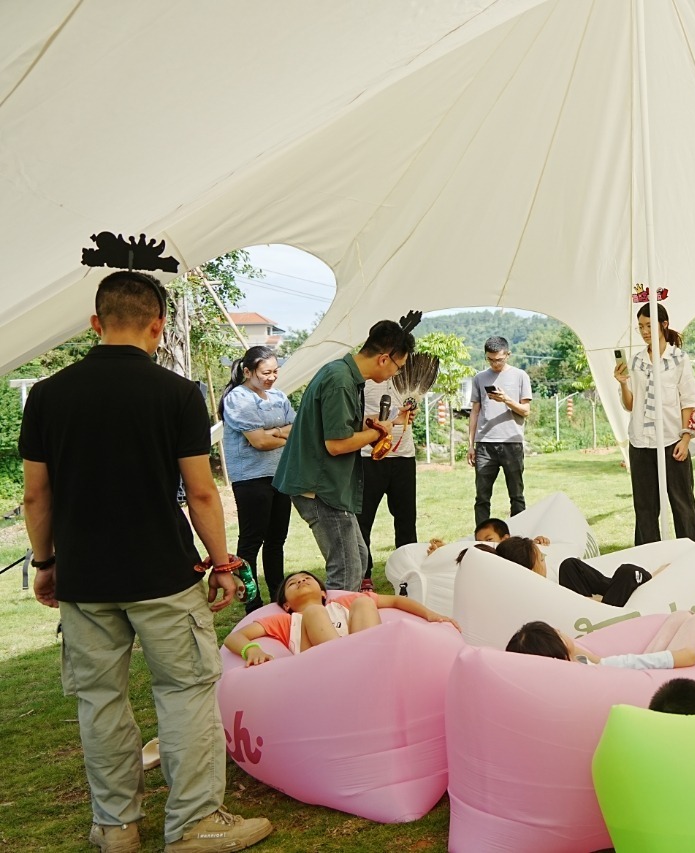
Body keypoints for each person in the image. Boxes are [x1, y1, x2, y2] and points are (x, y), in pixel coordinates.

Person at [19, 271, 273, 853]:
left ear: (95, 323)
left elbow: (36, 495)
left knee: (99, 701)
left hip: (84, 577)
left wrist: (46, 561)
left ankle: (115, 827)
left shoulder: (48, 396)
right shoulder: (178, 393)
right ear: (158, 326)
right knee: (185, 693)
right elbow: (202, 491)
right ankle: (194, 823)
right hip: (164, 573)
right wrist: (222, 563)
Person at [273, 321, 414, 592]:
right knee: (346, 570)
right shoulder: (341, 381)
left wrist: (390, 421)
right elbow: (336, 444)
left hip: (327, 487)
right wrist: (377, 433)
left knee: (358, 559)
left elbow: (343, 423)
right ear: (384, 358)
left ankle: (344, 613)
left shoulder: (342, 374)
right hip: (319, 488)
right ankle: (334, 617)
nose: (396, 374)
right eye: (399, 367)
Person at [613, 303, 695, 546]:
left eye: (649, 325)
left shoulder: (679, 359)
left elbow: (689, 402)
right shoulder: (636, 361)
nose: (644, 331)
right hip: (641, 443)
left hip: (672, 440)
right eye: (640, 327)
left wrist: (685, 439)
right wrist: (623, 383)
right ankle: (648, 558)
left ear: (664, 324)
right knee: (644, 508)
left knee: (683, 503)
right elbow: (630, 404)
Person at [223, 570, 459, 663]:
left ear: (323, 593)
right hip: (323, 667)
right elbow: (234, 637)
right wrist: (251, 650)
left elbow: (396, 600)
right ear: (286, 605)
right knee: (314, 612)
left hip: (366, 655)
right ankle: (346, 659)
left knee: (364, 601)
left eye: (307, 578)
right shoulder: (285, 621)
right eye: (293, 583)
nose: (301, 581)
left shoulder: (343, 603)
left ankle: (370, 658)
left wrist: (430, 614)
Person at [218, 345, 295, 611]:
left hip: (280, 475)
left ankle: (278, 595)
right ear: (248, 371)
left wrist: (272, 433)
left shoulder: (278, 396)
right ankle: (252, 602)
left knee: (276, 541)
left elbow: (296, 428)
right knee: (251, 542)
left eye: (275, 371)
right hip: (251, 479)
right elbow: (259, 442)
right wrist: (280, 433)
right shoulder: (238, 398)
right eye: (266, 373)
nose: (272, 377)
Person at [357, 377, 418, 588]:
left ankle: (408, 571)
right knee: (363, 520)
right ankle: (363, 574)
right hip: (368, 456)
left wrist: (412, 412)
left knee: (406, 520)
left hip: (404, 457)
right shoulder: (363, 381)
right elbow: (354, 419)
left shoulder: (408, 378)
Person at [468, 336, 532, 527]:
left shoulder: (520, 376)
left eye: (499, 359)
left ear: (508, 355)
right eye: (490, 359)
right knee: (482, 497)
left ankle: (519, 535)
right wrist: (471, 445)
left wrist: (506, 399)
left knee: (516, 495)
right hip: (484, 444)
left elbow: (525, 411)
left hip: (512, 442)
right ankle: (482, 537)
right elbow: (475, 412)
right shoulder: (479, 378)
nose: (495, 363)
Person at [491, 536, 653, 607]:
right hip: (598, 614)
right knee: (627, 572)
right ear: (530, 569)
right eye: (541, 559)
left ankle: (611, 588)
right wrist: (594, 602)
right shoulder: (540, 593)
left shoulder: (521, 584)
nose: (544, 561)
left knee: (569, 566)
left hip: (581, 602)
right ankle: (617, 590)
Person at [506, 619, 695, 669]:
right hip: (655, 672)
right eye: (558, 632)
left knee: (679, 618)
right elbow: (690, 656)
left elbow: (594, 659)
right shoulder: (600, 670)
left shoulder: (580, 662)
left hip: (635, 665)